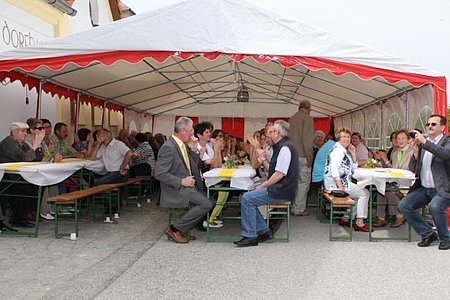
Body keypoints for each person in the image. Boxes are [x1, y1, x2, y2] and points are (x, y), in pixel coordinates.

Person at [234, 120, 299, 247]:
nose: (269, 134)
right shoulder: (283, 146)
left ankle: (250, 236)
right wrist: (266, 157)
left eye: (272, 131)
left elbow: (279, 174)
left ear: (278, 133)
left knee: (247, 198)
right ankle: (264, 230)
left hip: (281, 190)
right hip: (282, 187)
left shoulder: (284, 148)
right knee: (246, 196)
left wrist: (263, 185)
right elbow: (275, 170)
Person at [155, 117, 212, 244]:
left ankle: (182, 228)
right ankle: (175, 228)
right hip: (176, 189)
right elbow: (159, 173)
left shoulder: (182, 144)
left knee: (210, 199)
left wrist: (192, 149)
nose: (193, 134)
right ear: (182, 131)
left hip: (188, 186)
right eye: (191, 130)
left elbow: (195, 165)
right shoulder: (168, 147)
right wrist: (181, 181)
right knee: (206, 204)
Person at [398, 114, 450, 250]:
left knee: (435, 206)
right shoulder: (424, 143)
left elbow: (445, 154)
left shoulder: (446, 141)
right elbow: (414, 168)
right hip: (424, 188)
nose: (430, 127)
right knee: (404, 205)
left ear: (442, 127)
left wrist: (425, 143)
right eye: (428, 124)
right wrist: (415, 152)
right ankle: (428, 233)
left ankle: (445, 238)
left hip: (442, 189)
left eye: (433, 124)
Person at [323, 127, 370, 232]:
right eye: (343, 136)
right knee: (364, 193)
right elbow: (334, 170)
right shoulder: (338, 151)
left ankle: (346, 218)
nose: (346, 139)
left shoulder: (342, 150)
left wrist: (353, 154)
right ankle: (359, 222)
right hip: (335, 185)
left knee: (361, 193)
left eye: (348, 137)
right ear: (339, 137)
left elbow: (353, 168)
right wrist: (340, 187)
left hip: (341, 182)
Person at [0, 122, 45, 228]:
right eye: (23, 131)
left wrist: (37, 145)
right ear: (14, 132)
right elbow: (24, 158)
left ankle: (19, 217)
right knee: (22, 186)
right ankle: (13, 218)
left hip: (15, 175)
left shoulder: (23, 144)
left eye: (26, 131)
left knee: (33, 184)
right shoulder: (9, 142)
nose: (26, 133)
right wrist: (34, 146)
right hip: (4, 175)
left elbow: (35, 159)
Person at [373, 129, 413, 228]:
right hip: (397, 181)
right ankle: (381, 218)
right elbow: (394, 170)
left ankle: (399, 215)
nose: (400, 141)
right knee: (381, 188)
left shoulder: (412, 152)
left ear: (408, 140)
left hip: (408, 182)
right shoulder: (395, 153)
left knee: (388, 190)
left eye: (403, 138)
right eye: (398, 138)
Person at [289, 100, 314, 217]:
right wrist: (310, 157)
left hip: (291, 155)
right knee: (303, 183)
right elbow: (307, 140)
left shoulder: (291, 119)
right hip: (303, 155)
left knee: (294, 183)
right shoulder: (307, 119)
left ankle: (294, 205)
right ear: (308, 109)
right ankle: (299, 209)